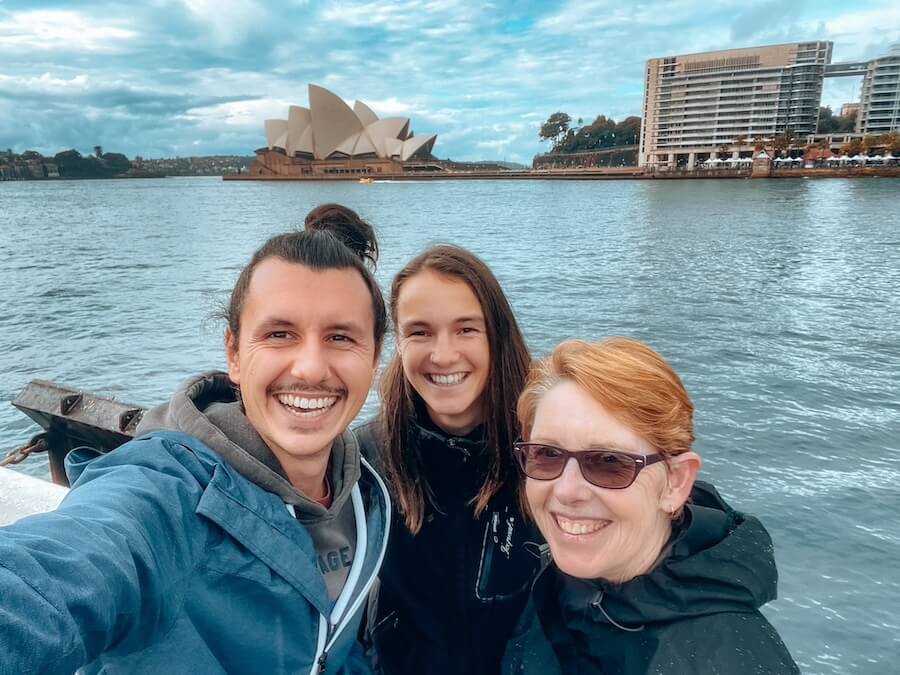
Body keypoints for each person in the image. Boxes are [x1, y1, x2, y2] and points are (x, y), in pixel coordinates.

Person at [0, 204, 391, 674]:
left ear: (375, 355)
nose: (309, 367)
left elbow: (332, 645)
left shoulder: (368, 495)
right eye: (280, 333)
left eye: (341, 337)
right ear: (234, 354)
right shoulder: (166, 491)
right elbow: (55, 574)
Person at [503, 337, 799, 675]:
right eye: (547, 454)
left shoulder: (734, 660)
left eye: (609, 461)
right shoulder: (554, 580)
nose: (567, 490)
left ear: (675, 483)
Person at [355, 245, 541, 675]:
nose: (442, 355)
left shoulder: (550, 451)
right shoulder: (365, 460)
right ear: (396, 344)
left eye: (466, 330)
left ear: (498, 334)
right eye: (419, 332)